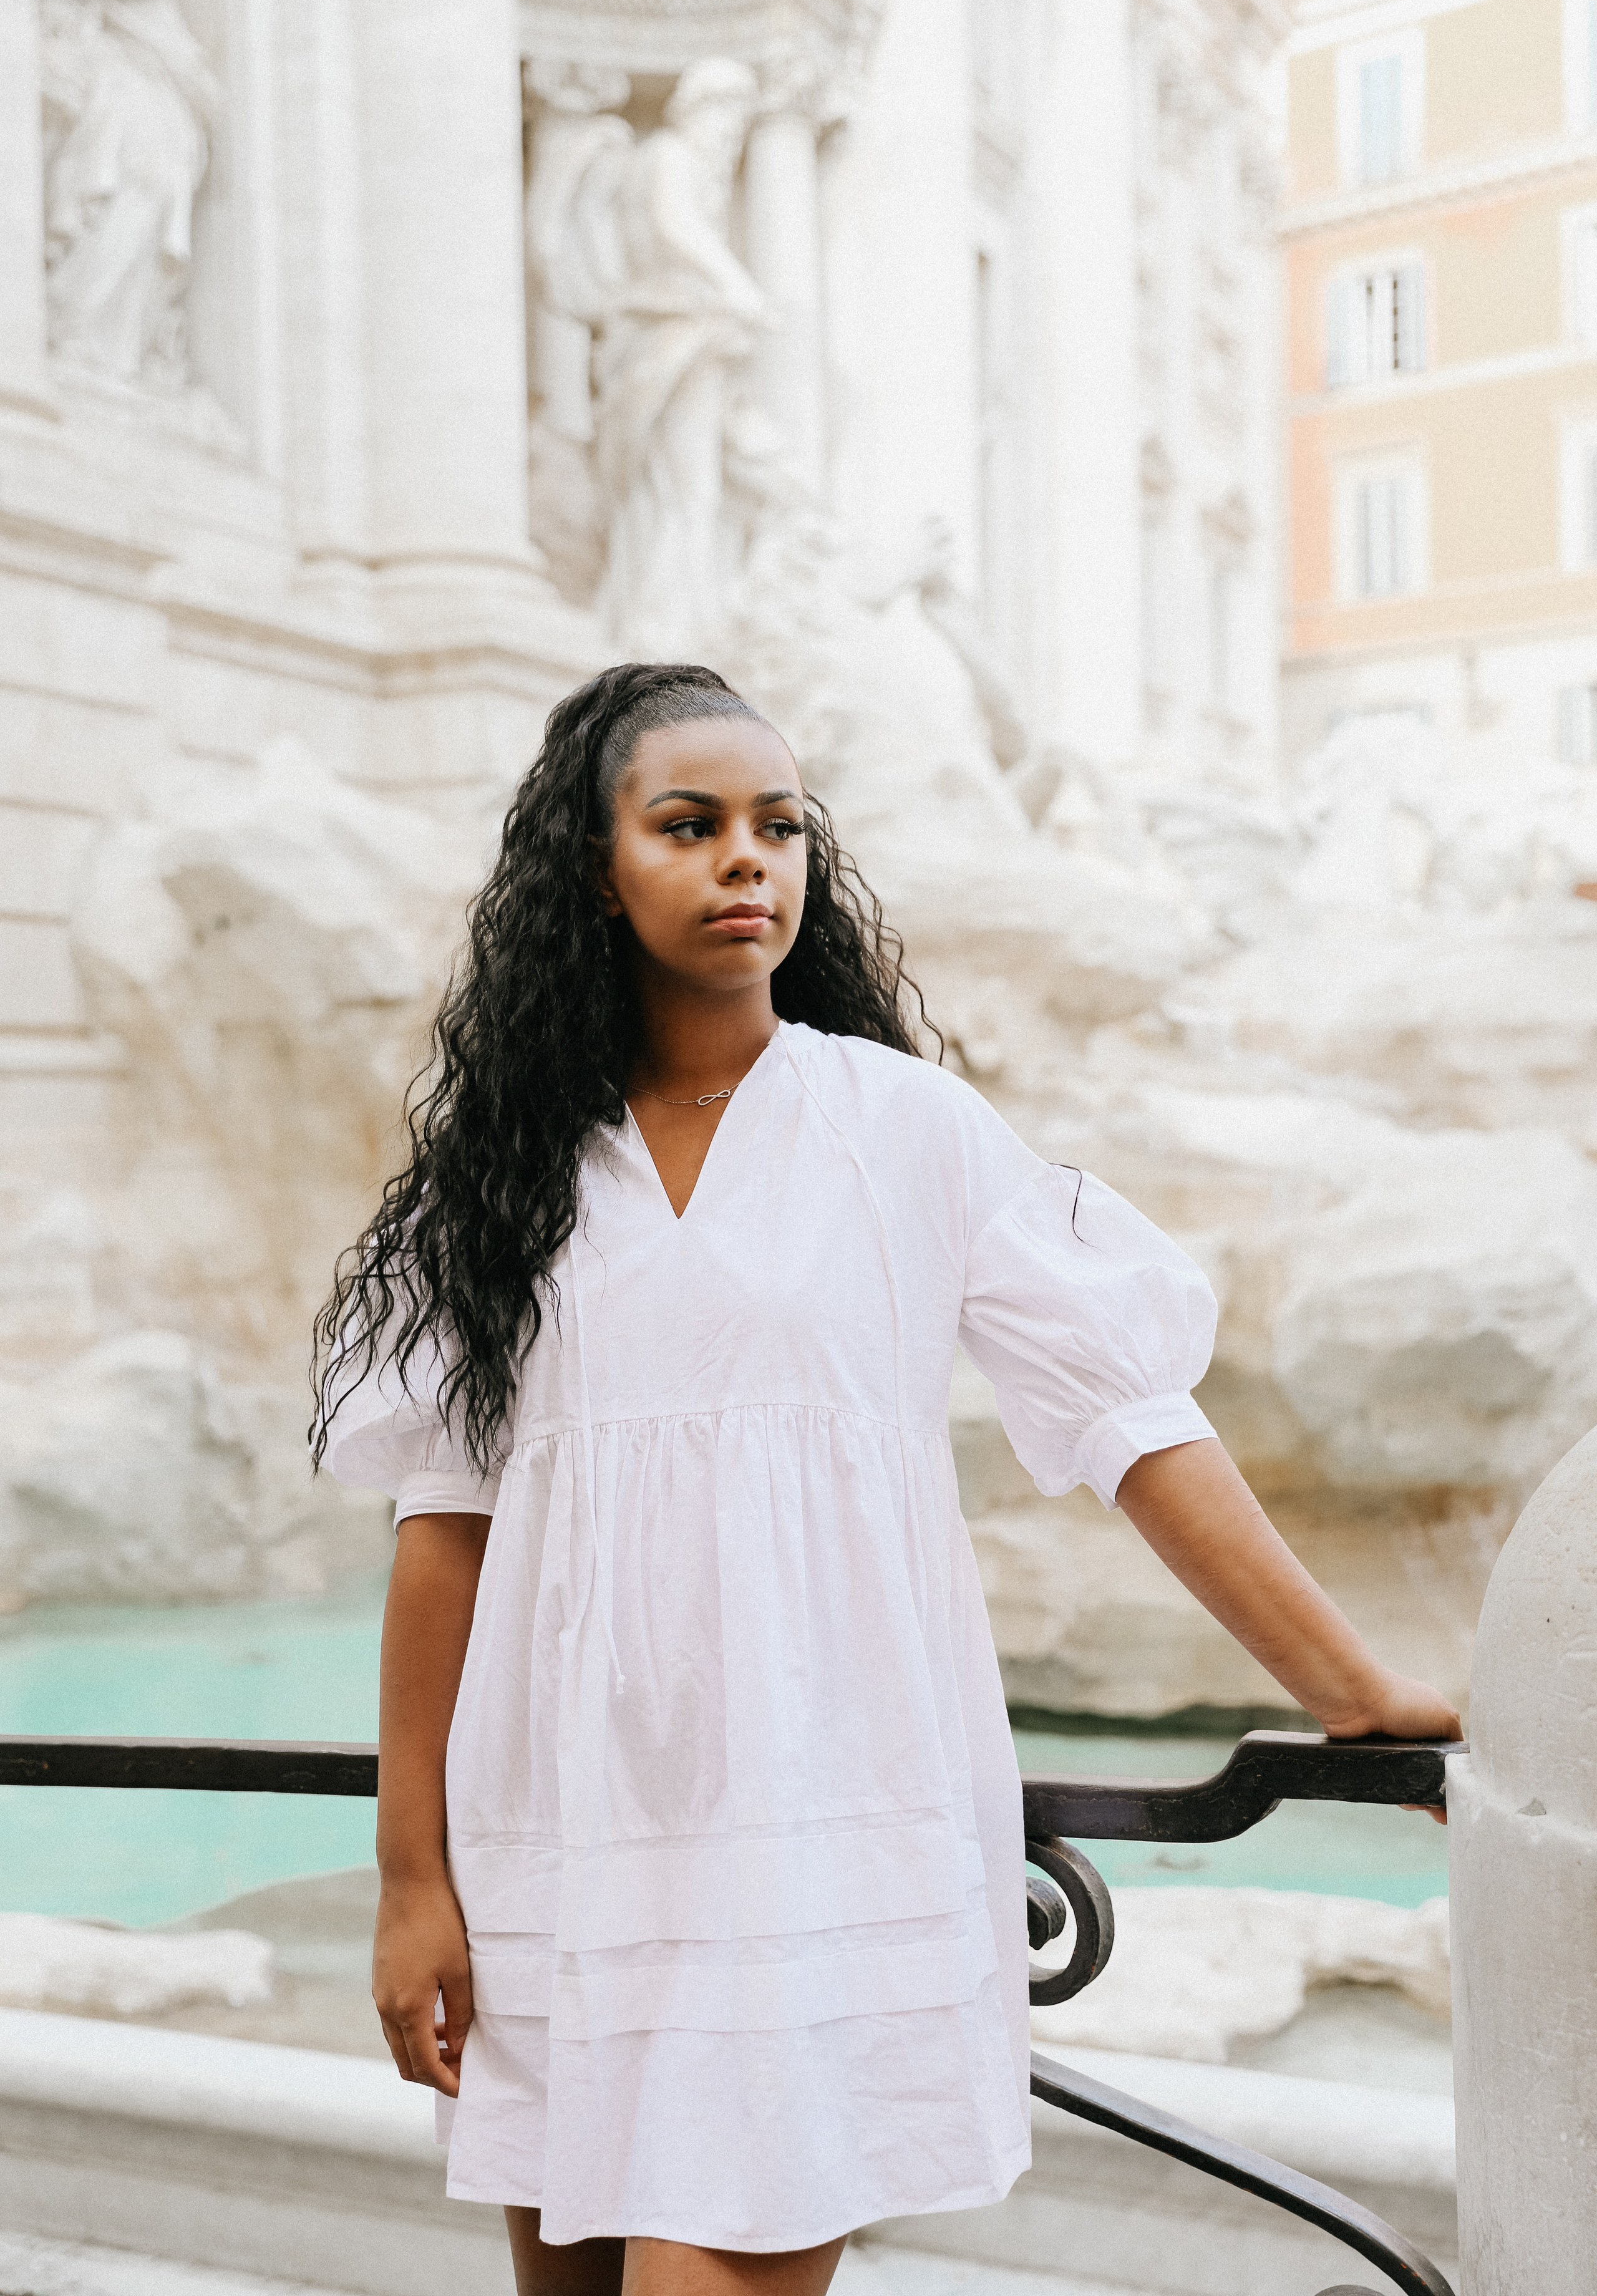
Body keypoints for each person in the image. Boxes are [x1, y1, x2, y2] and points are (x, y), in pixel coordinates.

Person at [313, 661, 1460, 2296]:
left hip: (817, 1831)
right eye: (690, 824)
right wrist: (413, 1881)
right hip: (566, 1835)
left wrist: (1353, 1689)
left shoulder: (904, 1130)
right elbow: (445, 1539)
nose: (746, 860)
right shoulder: (505, 1182)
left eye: (780, 827)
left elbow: (1136, 1423)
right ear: (592, 866)